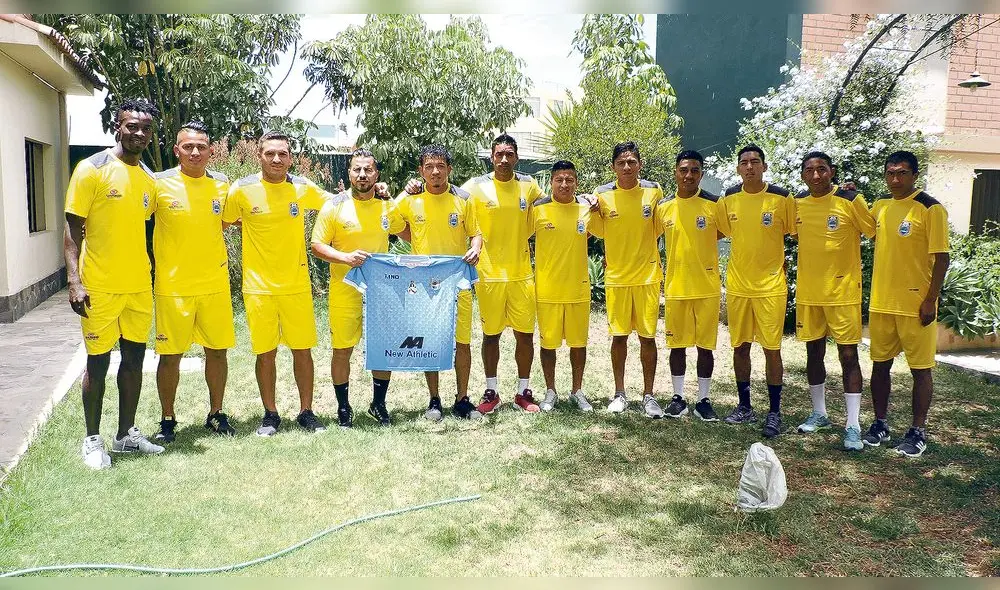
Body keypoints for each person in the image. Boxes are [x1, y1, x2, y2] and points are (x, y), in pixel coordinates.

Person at [64, 98, 164, 469]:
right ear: (116, 127)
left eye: (146, 128)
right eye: (131, 126)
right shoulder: (91, 169)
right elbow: (72, 228)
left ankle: (126, 435)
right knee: (98, 362)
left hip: (138, 285)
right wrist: (74, 280)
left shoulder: (149, 179)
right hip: (99, 287)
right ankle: (93, 440)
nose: (139, 133)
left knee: (135, 360)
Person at [222, 131, 328, 436]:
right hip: (258, 288)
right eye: (270, 153)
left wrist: (380, 191)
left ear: (291, 158)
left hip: (296, 285)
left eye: (283, 154)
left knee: (302, 350)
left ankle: (306, 412)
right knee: (265, 353)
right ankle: (270, 414)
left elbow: (337, 204)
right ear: (259, 156)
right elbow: (223, 222)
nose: (277, 159)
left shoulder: (302, 187)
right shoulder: (241, 189)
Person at [150, 121, 237, 442]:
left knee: (217, 352)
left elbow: (231, 220)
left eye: (201, 147)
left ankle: (216, 413)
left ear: (211, 151)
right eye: (188, 146)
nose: (195, 152)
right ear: (177, 150)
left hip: (214, 284)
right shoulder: (158, 183)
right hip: (173, 288)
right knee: (170, 355)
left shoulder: (223, 185)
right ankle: (167, 418)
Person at [310, 149, 406, 428]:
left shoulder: (386, 206)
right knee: (342, 349)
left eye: (368, 170)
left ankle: (379, 404)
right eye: (357, 170)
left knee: (382, 349)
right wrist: (345, 258)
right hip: (345, 291)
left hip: (382, 291)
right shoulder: (334, 206)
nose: (362, 175)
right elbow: (317, 245)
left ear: (377, 174)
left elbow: (407, 232)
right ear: (349, 173)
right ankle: (343, 407)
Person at [865, 151, 950, 457]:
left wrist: (930, 300)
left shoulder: (930, 208)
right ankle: (880, 424)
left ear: (915, 175)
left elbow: (942, 259)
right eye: (890, 173)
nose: (895, 179)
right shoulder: (881, 206)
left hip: (916, 305)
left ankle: (917, 431)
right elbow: (862, 227)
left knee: (920, 370)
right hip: (882, 303)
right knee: (880, 366)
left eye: (902, 173)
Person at [393, 145, 483, 421]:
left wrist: (475, 248)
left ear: (449, 170)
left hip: (457, 282)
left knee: (462, 342)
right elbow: (392, 223)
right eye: (429, 167)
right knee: (429, 341)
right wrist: (403, 192)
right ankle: (434, 399)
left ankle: (462, 399)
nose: (435, 172)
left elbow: (476, 233)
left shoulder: (464, 199)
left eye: (441, 166)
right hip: (423, 285)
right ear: (421, 171)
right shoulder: (411, 200)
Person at [793, 151, 875, 451]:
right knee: (813, 353)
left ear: (832, 171)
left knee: (848, 356)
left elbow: (874, 231)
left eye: (822, 169)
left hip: (842, 294)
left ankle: (853, 425)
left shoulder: (851, 200)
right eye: (809, 170)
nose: (816, 175)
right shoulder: (797, 203)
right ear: (803, 174)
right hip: (809, 294)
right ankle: (820, 414)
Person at [716, 144, 795, 438]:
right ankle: (744, 406)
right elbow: (717, 231)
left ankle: (774, 412)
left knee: (772, 349)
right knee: (740, 347)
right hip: (738, 286)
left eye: (755, 161)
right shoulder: (728, 199)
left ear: (764, 166)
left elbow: (797, 230)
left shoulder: (782, 198)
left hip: (771, 287)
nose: (749, 166)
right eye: (744, 162)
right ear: (738, 168)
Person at [462, 134, 544, 414]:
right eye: (499, 154)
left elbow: (555, 205)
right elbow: (449, 197)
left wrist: (585, 200)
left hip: (522, 275)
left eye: (509, 154)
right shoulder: (475, 186)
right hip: (488, 275)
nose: (504, 159)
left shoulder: (529, 185)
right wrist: (414, 188)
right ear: (491, 157)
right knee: (491, 335)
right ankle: (491, 391)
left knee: (525, 335)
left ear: (517, 157)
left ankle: (523, 392)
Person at [590, 142, 664, 417]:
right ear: (613, 167)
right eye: (621, 162)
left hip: (647, 277)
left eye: (632, 161)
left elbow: (660, 227)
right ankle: (619, 393)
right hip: (617, 278)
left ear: (639, 164)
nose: (627, 167)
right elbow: (598, 231)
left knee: (648, 338)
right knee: (619, 337)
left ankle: (649, 395)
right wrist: (594, 210)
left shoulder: (654, 191)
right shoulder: (601, 195)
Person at [655, 150, 723, 421]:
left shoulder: (714, 204)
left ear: (701, 174)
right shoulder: (664, 207)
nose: (688, 175)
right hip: (676, 287)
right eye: (683, 170)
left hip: (707, 287)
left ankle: (703, 400)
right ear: (676, 172)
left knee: (705, 346)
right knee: (677, 345)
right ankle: (678, 398)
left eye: (694, 170)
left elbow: (723, 231)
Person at [530, 160, 601, 412]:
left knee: (578, 343)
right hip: (547, 290)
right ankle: (550, 391)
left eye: (569, 180)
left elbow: (599, 230)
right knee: (548, 344)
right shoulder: (537, 209)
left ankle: (577, 391)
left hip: (578, 289)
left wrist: (595, 201)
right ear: (551, 182)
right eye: (559, 179)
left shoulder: (586, 208)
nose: (564, 184)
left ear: (576, 183)